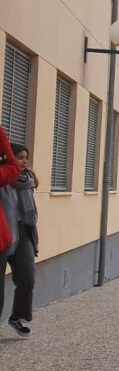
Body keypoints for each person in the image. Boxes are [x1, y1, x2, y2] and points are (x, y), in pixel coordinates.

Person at [1, 141, 38, 337]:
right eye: (20, 157)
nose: (24, 161)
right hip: (3, 233)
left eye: (26, 158)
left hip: (23, 233)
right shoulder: (3, 178)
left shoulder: (27, 181)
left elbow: (31, 215)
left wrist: (34, 239)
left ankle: (18, 317)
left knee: (27, 278)